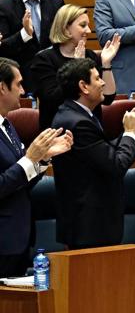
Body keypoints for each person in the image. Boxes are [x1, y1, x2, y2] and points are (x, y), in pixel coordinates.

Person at [52, 58, 135, 249]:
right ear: (84, 86)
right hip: (90, 225)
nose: (103, 82)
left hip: (89, 223)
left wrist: (129, 133)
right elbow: (116, 165)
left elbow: (99, 151)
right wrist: (130, 133)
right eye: (97, 78)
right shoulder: (78, 122)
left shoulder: (74, 114)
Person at [0, 57, 72, 277]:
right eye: (19, 84)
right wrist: (29, 159)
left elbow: (20, 182)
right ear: (2, 87)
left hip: (18, 237)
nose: (23, 91)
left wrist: (41, 160)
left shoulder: (7, 124)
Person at [31, 4, 120, 130]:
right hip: (57, 133)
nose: (89, 31)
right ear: (66, 29)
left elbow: (107, 98)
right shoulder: (44, 59)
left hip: (90, 130)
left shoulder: (90, 56)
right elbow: (52, 99)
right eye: (83, 25)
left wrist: (106, 63)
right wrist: (77, 67)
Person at [0, 0, 64, 93]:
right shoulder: (4, 7)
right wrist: (24, 34)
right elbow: (2, 48)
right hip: (21, 82)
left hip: (53, 80)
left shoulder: (56, 3)